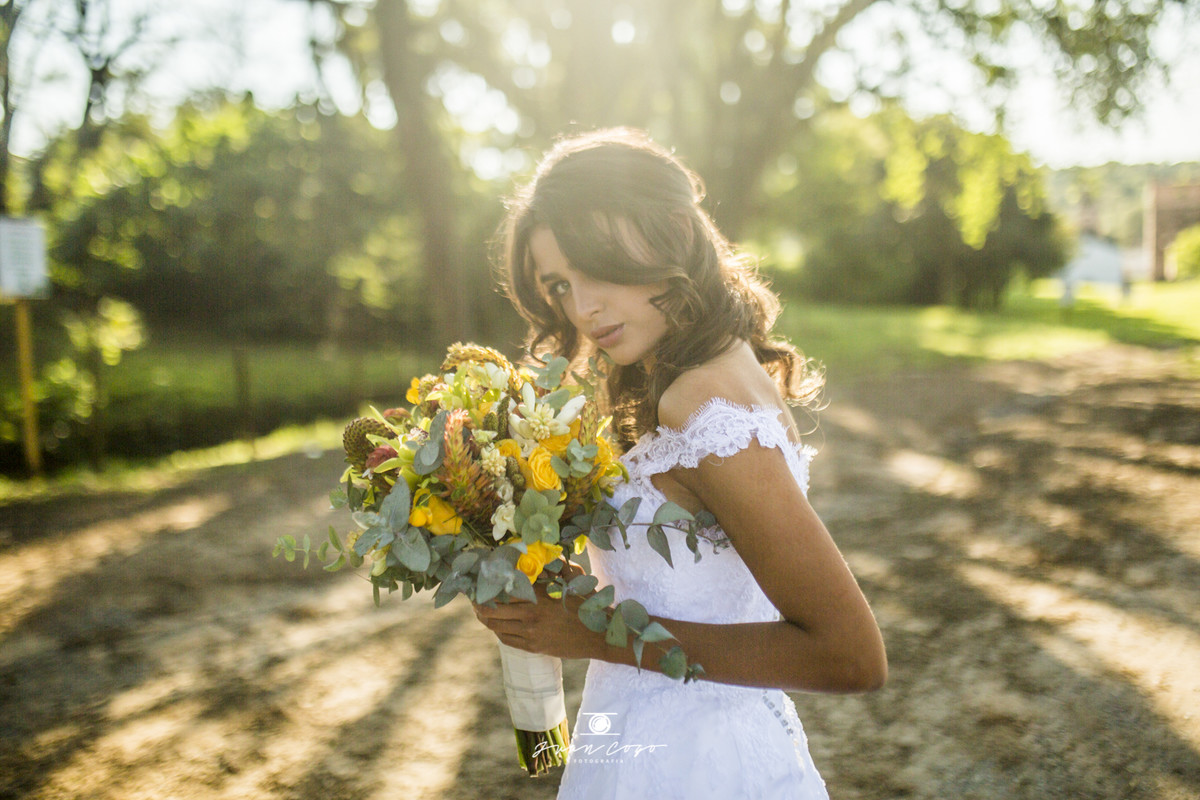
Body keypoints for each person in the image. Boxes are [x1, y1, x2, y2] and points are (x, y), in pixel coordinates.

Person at [474, 127, 887, 799]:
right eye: (560, 286)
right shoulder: (704, 374)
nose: (583, 308)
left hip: (698, 766)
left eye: (595, 266)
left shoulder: (703, 401)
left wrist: (597, 633)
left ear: (666, 228)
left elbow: (850, 656)